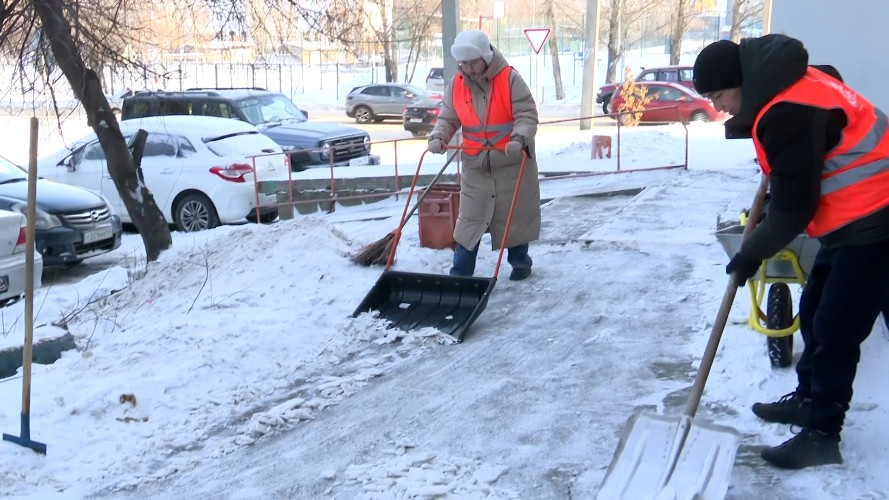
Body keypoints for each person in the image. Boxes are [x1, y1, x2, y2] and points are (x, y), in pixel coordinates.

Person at [693, 34, 889, 470]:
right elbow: (831, 88)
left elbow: (793, 209)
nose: (718, 107)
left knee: (838, 330)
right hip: (851, 218)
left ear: (743, 80)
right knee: (816, 306)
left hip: (878, 216)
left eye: (720, 95)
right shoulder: (792, 84)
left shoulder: (786, 114)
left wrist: (750, 254)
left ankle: (822, 433)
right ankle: (806, 398)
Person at [427, 29, 541, 281]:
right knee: (469, 222)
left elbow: (527, 115)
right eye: (463, 63)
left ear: (486, 57)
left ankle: (520, 262)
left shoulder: (509, 78)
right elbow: (448, 117)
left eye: (473, 62)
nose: (468, 68)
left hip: (511, 163)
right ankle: (460, 275)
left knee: (514, 218)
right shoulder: (456, 84)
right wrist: (438, 137)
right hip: (476, 165)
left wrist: (519, 138)